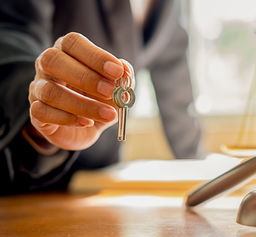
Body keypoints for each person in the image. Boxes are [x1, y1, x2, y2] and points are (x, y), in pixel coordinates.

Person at [0, 0, 203, 194]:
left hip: (103, 184)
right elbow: (11, 34)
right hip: (33, 186)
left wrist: (200, 169)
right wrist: (37, 114)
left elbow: (173, 72)